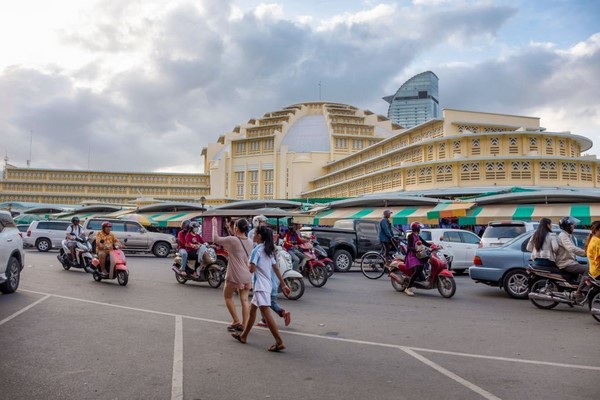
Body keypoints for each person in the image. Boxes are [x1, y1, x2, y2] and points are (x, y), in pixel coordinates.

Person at [231, 225, 291, 352]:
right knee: (252, 311)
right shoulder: (267, 249)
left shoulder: (257, 250)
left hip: (261, 286)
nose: (253, 235)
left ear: (260, 236)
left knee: (266, 313)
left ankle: (279, 342)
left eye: (255, 233)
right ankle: (243, 336)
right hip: (266, 285)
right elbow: (275, 268)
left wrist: (246, 263)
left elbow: (252, 269)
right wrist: (284, 284)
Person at [212, 217, 254, 333]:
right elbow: (236, 243)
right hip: (247, 275)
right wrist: (231, 228)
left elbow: (215, 239)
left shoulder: (233, 240)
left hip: (235, 275)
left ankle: (236, 321)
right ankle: (244, 325)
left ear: (236, 228)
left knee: (227, 296)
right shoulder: (250, 241)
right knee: (244, 300)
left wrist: (214, 225)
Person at [555, 216, 588, 299]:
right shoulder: (563, 236)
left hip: (570, 261)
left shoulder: (568, 235)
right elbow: (571, 248)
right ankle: (578, 292)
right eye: (572, 225)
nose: (574, 226)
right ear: (567, 226)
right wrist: (586, 253)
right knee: (588, 271)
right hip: (566, 263)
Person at [404, 221, 432, 297]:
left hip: (418, 255)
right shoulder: (410, 236)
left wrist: (433, 245)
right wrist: (416, 250)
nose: (420, 229)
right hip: (412, 256)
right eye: (419, 228)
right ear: (416, 228)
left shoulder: (418, 236)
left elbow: (425, 243)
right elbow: (409, 247)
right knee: (418, 270)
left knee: (422, 269)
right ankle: (408, 287)